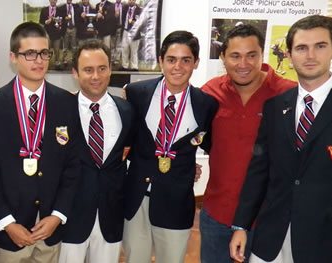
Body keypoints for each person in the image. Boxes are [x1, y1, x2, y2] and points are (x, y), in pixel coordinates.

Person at [230, 15, 332, 263]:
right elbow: (259, 170)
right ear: (288, 54)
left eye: (320, 46)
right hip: (271, 238)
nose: (310, 56)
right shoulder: (276, 107)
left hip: (322, 241)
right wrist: (240, 225)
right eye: (301, 48)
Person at [0, 21, 82, 263]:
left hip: (49, 230)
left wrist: (58, 215)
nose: (39, 60)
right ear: (13, 57)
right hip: (10, 233)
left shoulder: (66, 103)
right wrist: (7, 222)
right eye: (30, 54)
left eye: (44, 53)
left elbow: (73, 166)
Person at [200, 24, 296, 263]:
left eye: (251, 55)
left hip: (268, 219)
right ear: (222, 57)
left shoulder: (288, 94)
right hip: (217, 215)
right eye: (235, 56)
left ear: (262, 54)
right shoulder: (210, 92)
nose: (243, 64)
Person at [122, 30, 217, 263]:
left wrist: (189, 166)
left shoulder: (206, 105)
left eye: (186, 60)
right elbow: (124, 141)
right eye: (171, 59)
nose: (178, 67)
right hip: (136, 200)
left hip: (176, 202)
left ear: (195, 63)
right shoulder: (136, 94)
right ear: (161, 61)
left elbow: (211, 144)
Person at [58, 39, 133, 263]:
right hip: (70, 216)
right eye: (88, 70)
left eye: (102, 68)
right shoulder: (61, 110)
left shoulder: (126, 111)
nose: (96, 76)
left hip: (111, 215)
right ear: (75, 72)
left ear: (110, 69)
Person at [40, 0, 65, 69]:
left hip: (57, 34)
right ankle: (45, 64)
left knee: (57, 51)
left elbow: (63, 22)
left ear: (56, 1)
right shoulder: (44, 10)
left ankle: (57, 63)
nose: (53, 1)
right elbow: (40, 21)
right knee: (46, 50)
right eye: (52, 0)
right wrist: (46, 21)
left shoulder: (60, 10)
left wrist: (60, 25)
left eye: (55, 0)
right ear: (49, 0)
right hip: (47, 34)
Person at [120, 0, 142, 70]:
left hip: (134, 32)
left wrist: (134, 22)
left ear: (135, 1)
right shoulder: (124, 8)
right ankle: (124, 66)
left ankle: (134, 67)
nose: (131, 1)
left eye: (132, 0)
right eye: (129, 0)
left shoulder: (139, 10)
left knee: (134, 51)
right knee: (124, 49)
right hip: (126, 31)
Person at [58, 0, 80, 68]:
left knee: (74, 45)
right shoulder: (62, 8)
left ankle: (74, 60)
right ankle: (65, 60)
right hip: (66, 28)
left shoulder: (76, 6)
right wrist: (65, 19)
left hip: (74, 28)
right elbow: (59, 19)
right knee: (65, 45)